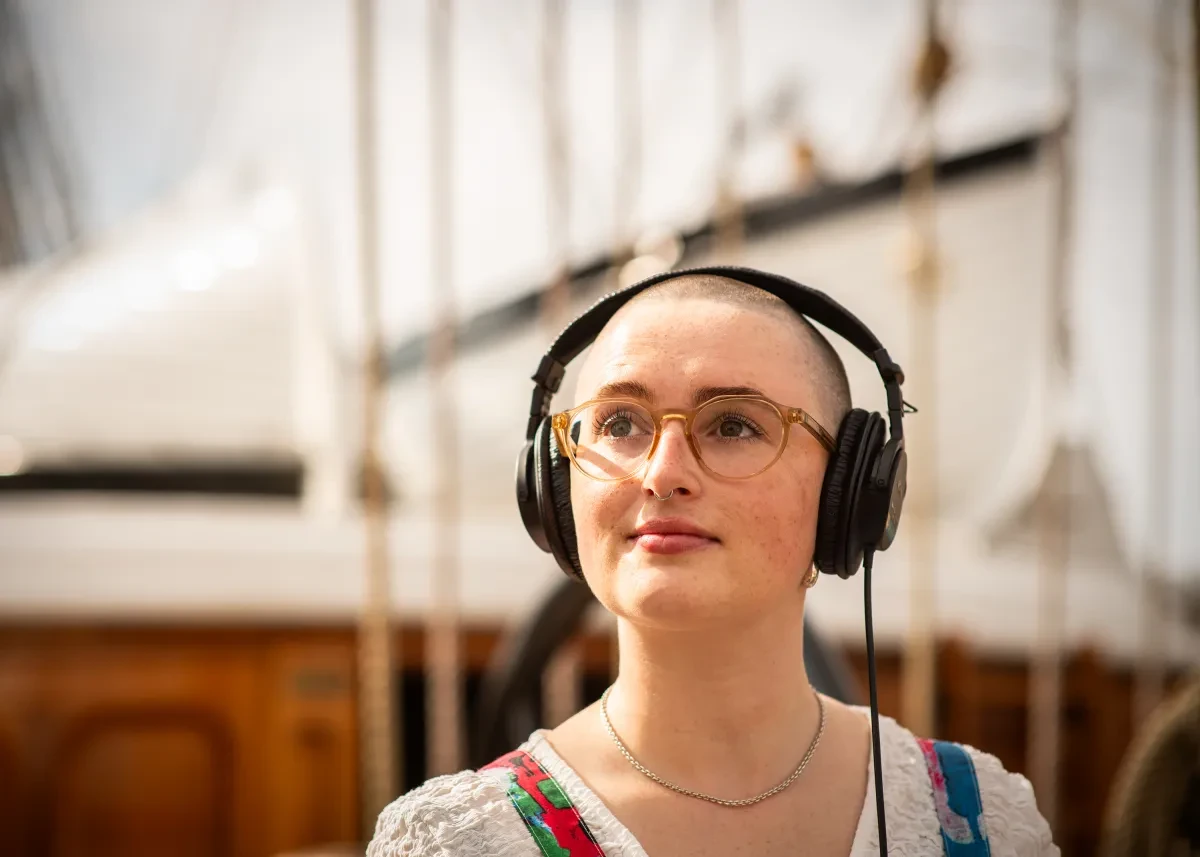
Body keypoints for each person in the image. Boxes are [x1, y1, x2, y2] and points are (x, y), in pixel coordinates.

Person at [368, 272, 1058, 856]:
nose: (662, 474)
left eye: (733, 424)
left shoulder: (980, 819)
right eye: (619, 423)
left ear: (852, 495)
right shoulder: (458, 841)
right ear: (553, 488)